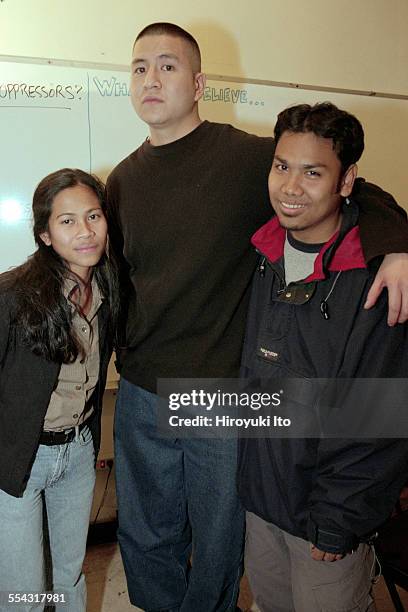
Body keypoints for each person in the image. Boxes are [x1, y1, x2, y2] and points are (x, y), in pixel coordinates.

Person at [106, 22, 408, 612]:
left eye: (167, 66)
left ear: (198, 84)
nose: (150, 78)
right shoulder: (122, 178)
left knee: (221, 540)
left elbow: (349, 186)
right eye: (140, 66)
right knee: (146, 534)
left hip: (221, 391)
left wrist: (398, 243)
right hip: (143, 387)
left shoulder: (249, 159)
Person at [237, 103, 408, 612]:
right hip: (262, 502)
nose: (291, 187)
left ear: (347, 179)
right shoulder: (262, 252)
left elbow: (379, 419)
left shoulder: (377, 279)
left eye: (313, 172)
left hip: (325, 522)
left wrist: (337, 522)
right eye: (282, 166)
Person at [0, 168, 119, 612]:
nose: (86, 232)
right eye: (67, 221)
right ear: (45, 234)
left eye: (93, 216)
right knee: (24, 591)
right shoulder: (11, 296)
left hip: (78, 454)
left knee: (68, 575)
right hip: (19, 459)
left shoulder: (107, 290)